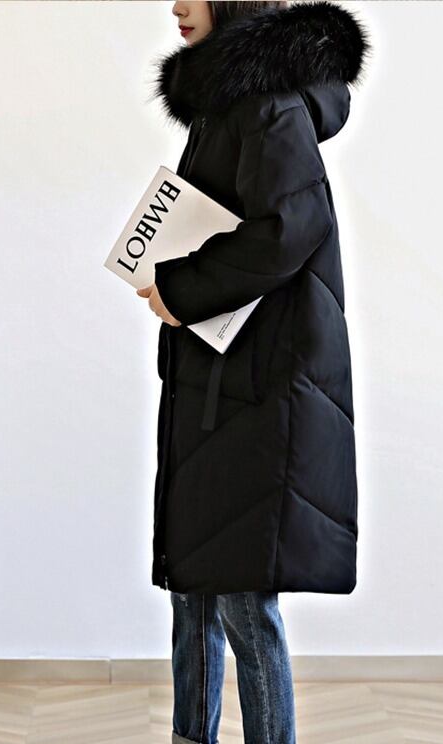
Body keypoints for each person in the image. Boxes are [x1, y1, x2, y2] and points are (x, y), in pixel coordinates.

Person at [137, 1, 370, 742]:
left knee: (240, 597)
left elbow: (291, 228)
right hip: (220, 380)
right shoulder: (228, 101)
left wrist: (182, 288)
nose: (177, 6)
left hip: (258, 390)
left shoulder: (266, 104)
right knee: (194, 590)